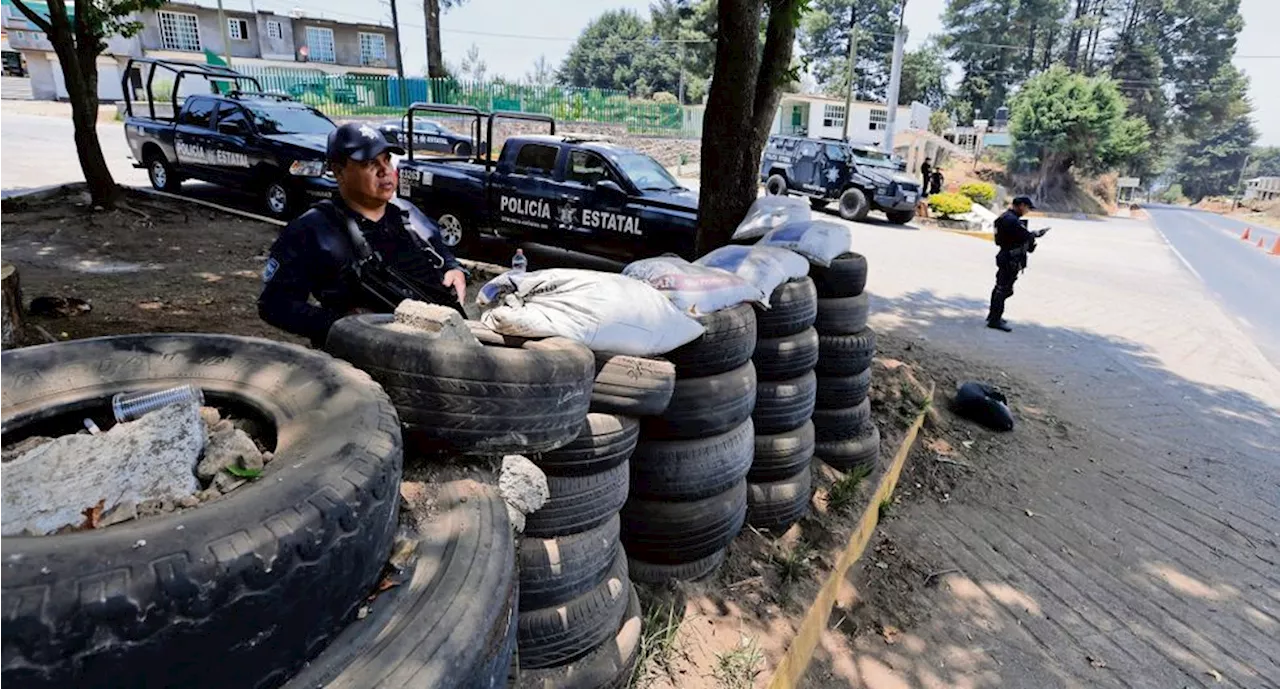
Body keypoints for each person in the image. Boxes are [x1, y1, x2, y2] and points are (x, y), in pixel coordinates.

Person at [258, 123, 468, 346]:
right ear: (338, 171)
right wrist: (342, 325)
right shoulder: (312, 230)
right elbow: (274, 305)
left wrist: (454, 269)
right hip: (367, 358)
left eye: (386, 160)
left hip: (442, 342)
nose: (384, 170)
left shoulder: (409, 213)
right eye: (370, 163)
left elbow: (443, 257)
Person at [986, 196, 1047, 332]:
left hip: (1006, 256)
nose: (1027, 211)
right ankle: (994, 320)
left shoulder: (1006, 217)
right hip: (1010, 259)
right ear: (1020, 205)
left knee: (1000, 288)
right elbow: (1025, 236)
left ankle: (994, 316)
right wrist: (1035, 235)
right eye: (1027, 208)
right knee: (1004, 289)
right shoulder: (1011, 220)